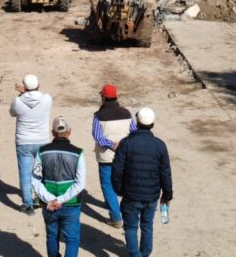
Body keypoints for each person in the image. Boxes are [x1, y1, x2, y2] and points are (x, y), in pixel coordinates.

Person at [112, 107, 173, 257]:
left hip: (131, 195)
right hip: (151, 196)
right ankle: (145, 254)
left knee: (130, 227)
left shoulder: (126, 143)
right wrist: (167, 195)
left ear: (137, 123)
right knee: (147, 226)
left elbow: (117, 170)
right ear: (152, 124)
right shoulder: (160, 145)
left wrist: (119, 190)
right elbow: (165, 173)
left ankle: (135, 255)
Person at [32, 116, 86, 257]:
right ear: (69, 132)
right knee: (72, 239)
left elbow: (35, 180)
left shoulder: (42, 151)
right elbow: (80, 183)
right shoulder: (78, 152)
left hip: (49, 204)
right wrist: (61, 200)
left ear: (52, 133)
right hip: (71, 203)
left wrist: (51, 199)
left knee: (52, 236)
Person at [92, 84, 135, 227]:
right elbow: (133, 132)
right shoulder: (127, 113)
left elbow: (98, 136)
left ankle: (116, 218)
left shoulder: (98, 115)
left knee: (107, 185)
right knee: (125, 183)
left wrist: (111, 145)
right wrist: (122, 145)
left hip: (106, 157)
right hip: (125, 156)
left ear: (103, 97)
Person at [9, 74, 53, 215]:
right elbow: (39, 97)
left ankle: (27, 204)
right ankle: (40, 198)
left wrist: (23, 94)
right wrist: (27, 92)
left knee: (25, 173)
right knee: (40, 172)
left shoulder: (18, 101)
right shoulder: (47, 99)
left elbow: (12, 113)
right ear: (38, 85)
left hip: (24, 141)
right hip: (42, 140)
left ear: (24, 87)